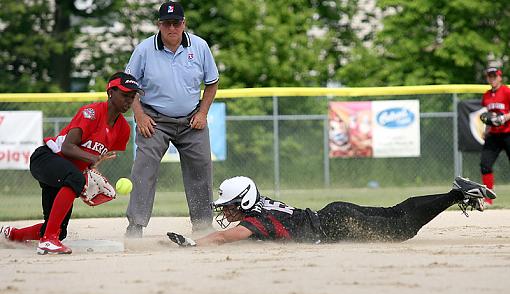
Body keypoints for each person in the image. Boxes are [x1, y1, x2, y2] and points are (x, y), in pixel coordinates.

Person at [0, 72, 143, 254]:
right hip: (47, 159)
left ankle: (12, 235)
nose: (129, 100)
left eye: (132, 96)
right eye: (124, 95)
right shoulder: (92, 113)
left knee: (60, 230)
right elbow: (68, 147)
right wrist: (87, 167)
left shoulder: (122, 129)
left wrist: (88, 172)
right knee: (75, 179)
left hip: (64, 172)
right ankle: (47, 241)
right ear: (110, 93)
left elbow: (91, 158)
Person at [166, 176, 496, 247]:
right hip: (335, 216)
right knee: (397, 215)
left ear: (246, 202)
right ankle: (456, 192)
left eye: (230, 205)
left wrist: (194, 244)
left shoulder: (258, 220)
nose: (227, 210)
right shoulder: (261, 206)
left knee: (401, 229)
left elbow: (226, 236)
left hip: (337, 224)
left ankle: (457, 194)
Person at [124, 1, 219, 238]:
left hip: (191, 121)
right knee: (143, 168)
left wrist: (203, 113)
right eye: (167, 23)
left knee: (201, 169)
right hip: (154, 121)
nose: (172, 28)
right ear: (159, 25)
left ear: (183, 23)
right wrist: (140, 115)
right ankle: (135, 226)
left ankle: (203, 226)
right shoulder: (144, 49)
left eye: (176, 22)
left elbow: (212, 82)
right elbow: (128, 86)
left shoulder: (199, 46)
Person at [480, 66, 510, 205]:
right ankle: (488, 199)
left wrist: (505, 118)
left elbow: (503, 116)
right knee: (485, 165)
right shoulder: (486, 95)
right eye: (489, 76)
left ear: (500, 77)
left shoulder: (506, 91)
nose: (492, 78)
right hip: (494, 135)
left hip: (508, 133)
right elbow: (489, 116)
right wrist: (486, 130)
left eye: (494, 76)